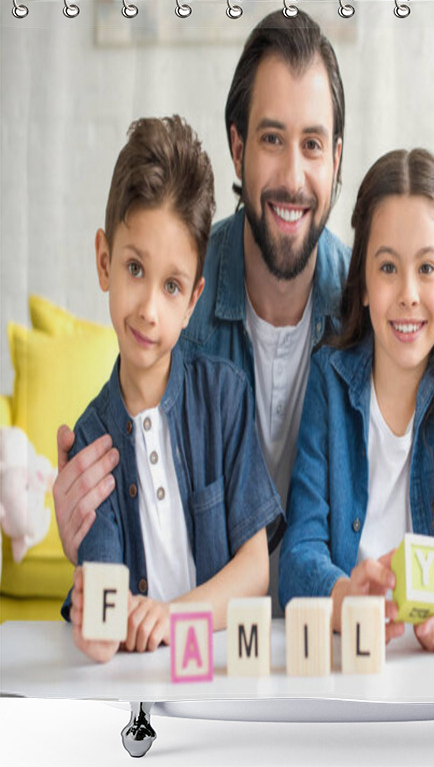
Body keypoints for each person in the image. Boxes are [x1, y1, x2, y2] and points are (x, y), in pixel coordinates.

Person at [52, 10, 434, 612]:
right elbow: (139, 514)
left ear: (337, 159)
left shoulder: (370, 311)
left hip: (329, 644)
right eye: (272, 139)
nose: (294, 177)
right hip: (209, 648)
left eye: (313, 145)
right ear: (238, 147)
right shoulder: (178, 292)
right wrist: (84, 535)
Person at [62, 116, 284, 663]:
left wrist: (173, 615)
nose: (148, 309)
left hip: (220, 669)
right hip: (139, 682)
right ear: (103, 260)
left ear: (193, 300)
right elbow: (104, 604)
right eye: (135, 268)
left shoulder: (225, 397)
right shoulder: (93, 440)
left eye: (171, 286)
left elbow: (256, 571)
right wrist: (95, 629)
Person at [279, 149, 434, 654]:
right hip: (349, 654)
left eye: (427, 267)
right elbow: (298, 554)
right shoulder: (329, 382)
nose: (408, 293)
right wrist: (343, 597)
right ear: (362, 283)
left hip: (433, 659)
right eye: (388, 267)